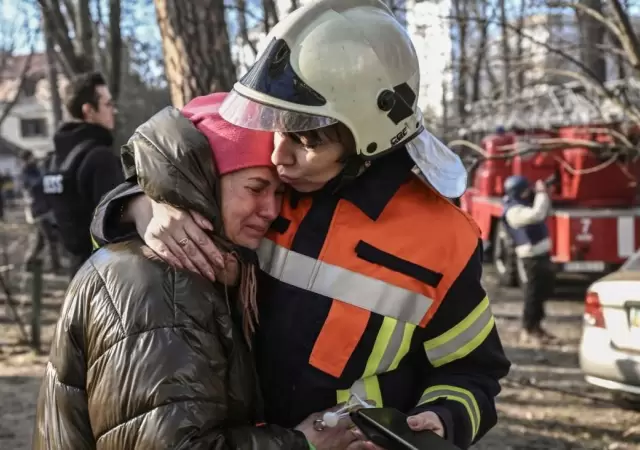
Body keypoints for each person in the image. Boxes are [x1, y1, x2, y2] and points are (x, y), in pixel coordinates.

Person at [89, 1, 511, 449]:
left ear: (366, 142)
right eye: (277, 126)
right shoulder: (267, 188)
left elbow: (472, 371)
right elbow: (165, 159)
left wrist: (444, 416)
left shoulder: (442, 239)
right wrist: (144, 202)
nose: (278, 154)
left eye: (307, 139)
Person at [33, 92, 358, 450]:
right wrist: (302, 443)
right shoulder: (163, 282)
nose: (271, 210)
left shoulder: (210, 265)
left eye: (279, 193)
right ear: (206, 179)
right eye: (255, 188)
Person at [43, 71, 123, 275]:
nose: (114, 110)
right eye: (107, 104)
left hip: (76, 277)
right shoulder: (99, 158)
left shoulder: (53, 161)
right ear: (89, 110)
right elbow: (117, 229)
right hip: (109, 277)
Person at [502, 175, 556, 344]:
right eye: (525, 190)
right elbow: (536, 215)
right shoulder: (513, 210)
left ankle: (537, 327)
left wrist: (544, 193)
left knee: (542, 292)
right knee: (532, 294)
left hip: (541, 255)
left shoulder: (520, 203)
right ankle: (528, 328)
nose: (528, 193)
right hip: (530, 258)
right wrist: (541, 193)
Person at [20, 150, 61, 273]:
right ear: (26, 159)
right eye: (31, 157)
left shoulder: (37, 170)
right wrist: (46, 171)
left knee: (40, 242)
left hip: (46, 209)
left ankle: (28, 262)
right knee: (50, 239)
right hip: (38, 211)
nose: (34, 159)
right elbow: (35, 185)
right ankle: (55, 267)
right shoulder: (26, 173)